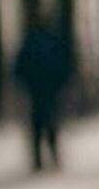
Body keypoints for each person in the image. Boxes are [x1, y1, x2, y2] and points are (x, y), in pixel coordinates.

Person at [14, 19, 73, 171]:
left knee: (42, 123)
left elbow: (20, 65)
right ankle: (46, 156)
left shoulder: (35, 41)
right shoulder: (45, 41)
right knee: (46, 123)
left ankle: (43, 157)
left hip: (43, 89)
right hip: (43, 89)